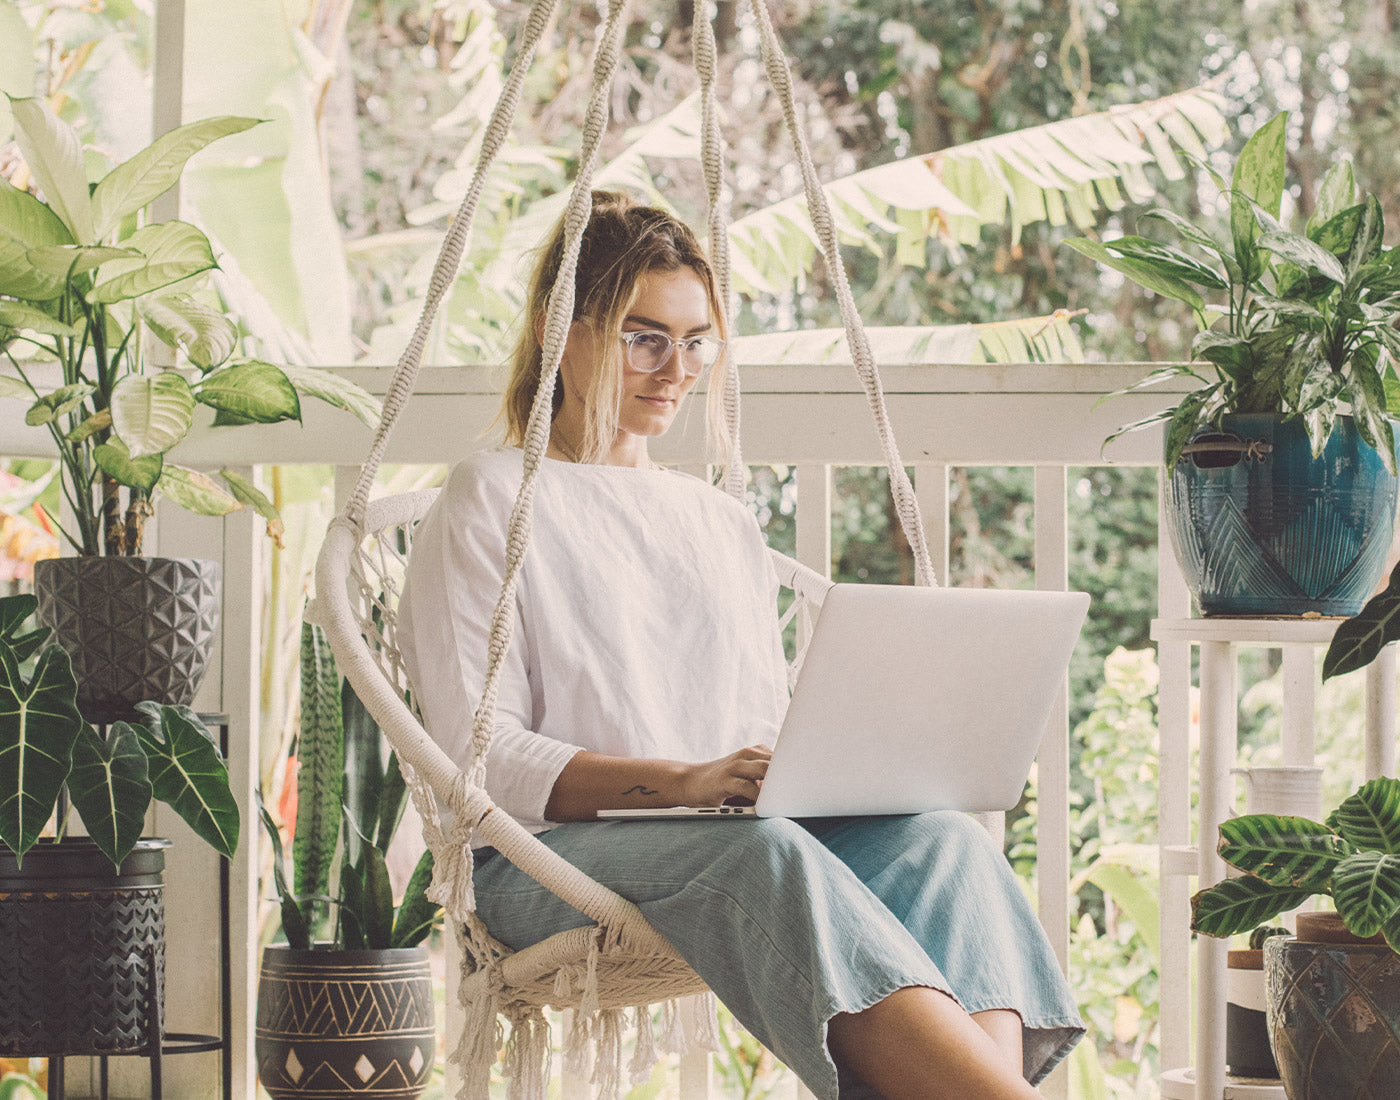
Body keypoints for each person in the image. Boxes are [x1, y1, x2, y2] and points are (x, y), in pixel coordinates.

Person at [398, 190, 1084, 1100]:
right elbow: (479, 758)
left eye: (697, 342)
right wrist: (681, 783)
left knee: (945, 843)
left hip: (729, 834)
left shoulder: (718, 520)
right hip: (541, 862)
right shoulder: (492, 498)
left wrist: (830, 762)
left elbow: (762, 722)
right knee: (763, 856)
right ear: (563, 330)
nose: (675, 369)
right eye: (645, 338)